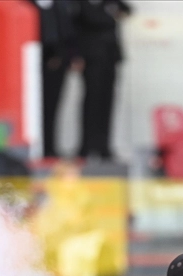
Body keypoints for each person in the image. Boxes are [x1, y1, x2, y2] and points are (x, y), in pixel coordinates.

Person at [74, 0, 131, 160]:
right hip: (91, 58)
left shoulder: (110, 2)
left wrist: (113, 11)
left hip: (110, 58)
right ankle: (86, 146)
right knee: (91, 101)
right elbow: (88, 21)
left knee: (108, 102)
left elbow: (127, 9)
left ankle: (103, 146)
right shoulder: (82, 4)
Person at [32, 0, 80, 159]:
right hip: (34, 66)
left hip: (58, 65)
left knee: (54, 107)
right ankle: (39, 146)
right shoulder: (28, 5)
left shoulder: (61, 5)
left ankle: (50, 146)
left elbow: (68, 32)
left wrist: (66, 56)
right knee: (36, 109)